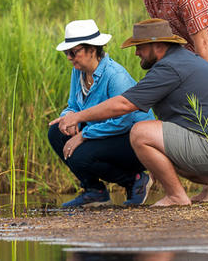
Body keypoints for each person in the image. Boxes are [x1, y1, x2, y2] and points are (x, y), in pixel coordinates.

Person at [58, 18, 208, 206]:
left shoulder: (169, 68)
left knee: (141, 132)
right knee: (158, 141)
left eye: (139, 47)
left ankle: (176, 196)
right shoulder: (184, 60)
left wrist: (78, 117)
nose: (136, 53)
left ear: (156, 45)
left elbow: (124, 104)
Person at [47, 19, 154, 208]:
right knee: (56, 131)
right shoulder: (78, 72)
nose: (69, 58)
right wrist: (68, 117)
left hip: (131, 138)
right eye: (67, 53)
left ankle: (135, 180)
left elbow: (123, 121)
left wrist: (84, 136)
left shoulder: (115, 76)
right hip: (105, 131)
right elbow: (73, 104)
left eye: (74, 52)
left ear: (93, 49)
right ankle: (94, 190)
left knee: (80, 153)